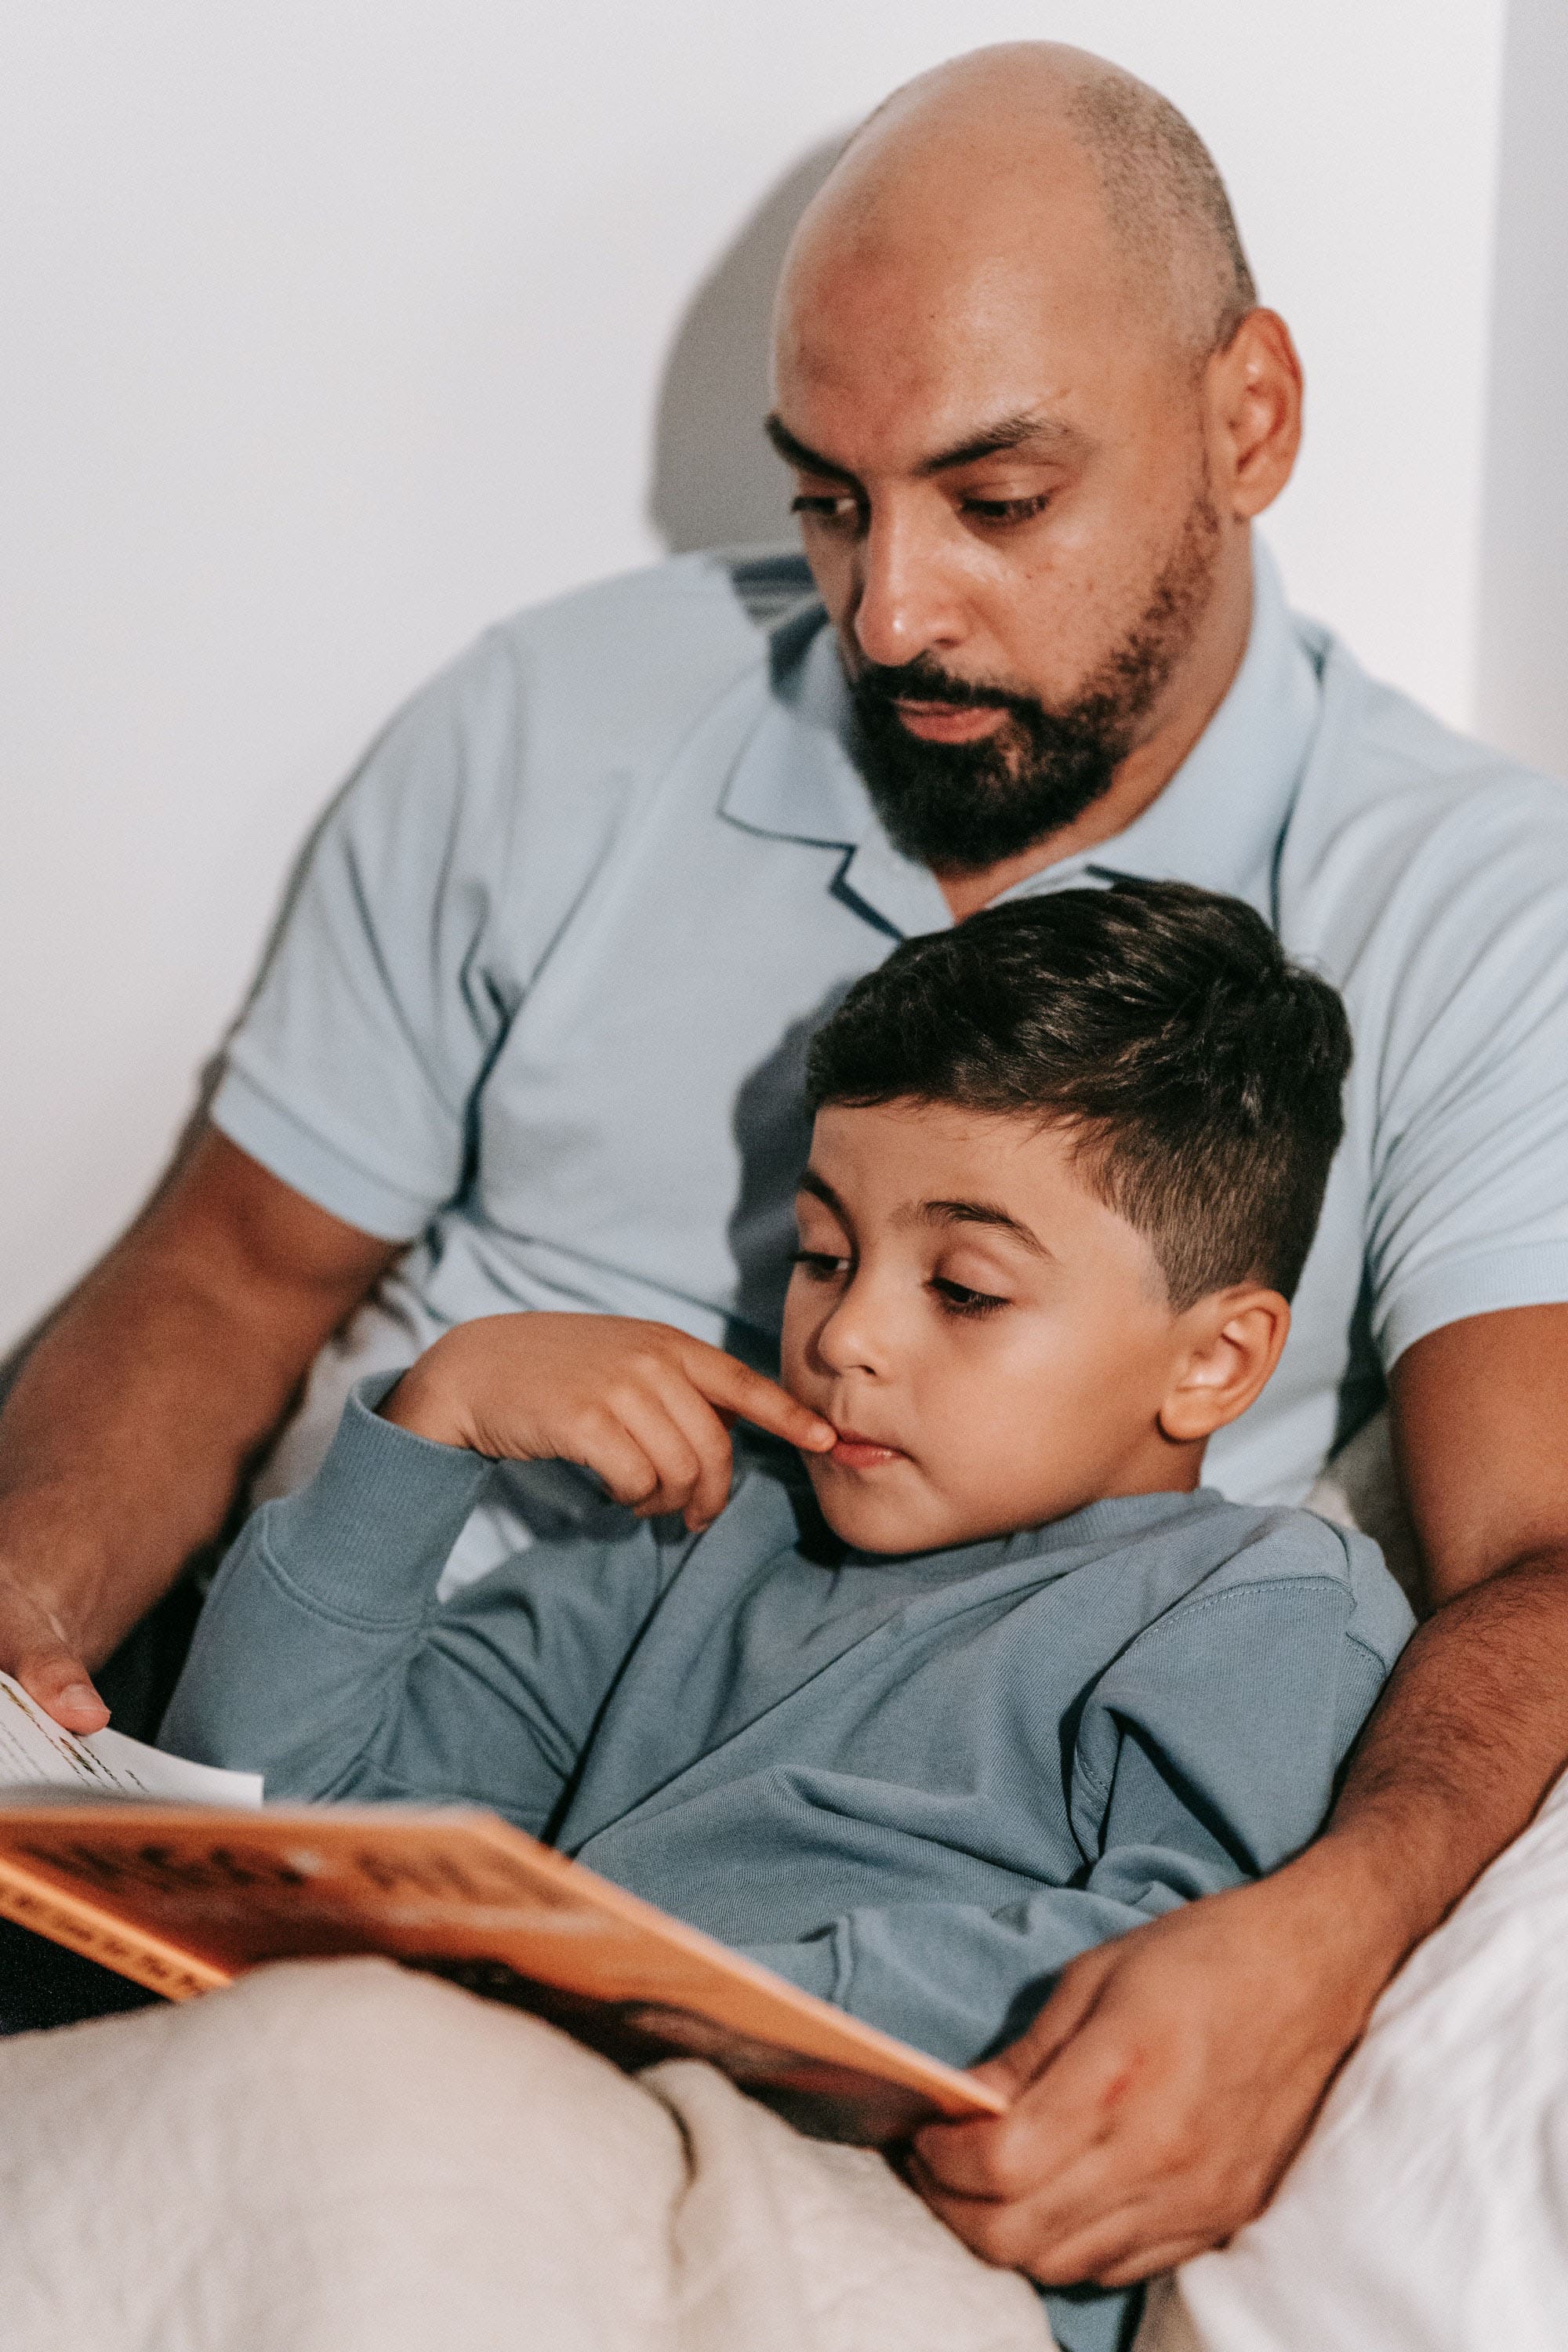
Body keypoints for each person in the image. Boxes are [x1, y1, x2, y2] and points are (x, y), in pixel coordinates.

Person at [0, 33, 1565, 2288]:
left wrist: (1325, 1938)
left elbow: (1539, 1558)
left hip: (686, 2073)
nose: (886, 613)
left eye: (995, 500)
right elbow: (232, 1270)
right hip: (321, 1803)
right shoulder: (552, 723)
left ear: (1250, 420)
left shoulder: (1476, 913)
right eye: (827, 497)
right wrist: (32, 1639)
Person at [157, 880, 1410, 2352]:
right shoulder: (707, 1534)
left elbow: (1180, 1986)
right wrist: (435, 1422)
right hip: (518, 2129)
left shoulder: (1250, 1599)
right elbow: (267, 1805)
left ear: (1212, 1364)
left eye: (963, 1287)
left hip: (882, 2230)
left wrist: (688, 1999)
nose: (845, 1336)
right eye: (824, 1256)